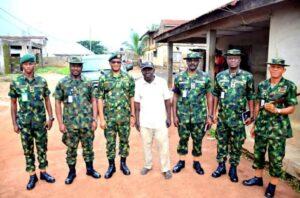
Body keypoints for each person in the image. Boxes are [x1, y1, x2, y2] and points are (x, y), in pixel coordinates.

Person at [242, 58, 298, 198]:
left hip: (278, 129)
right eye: (272, 67)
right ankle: (258, 178)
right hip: (262, 126)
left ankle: (272, 185)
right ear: (269, 69)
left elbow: (291, 108)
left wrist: (277, 110)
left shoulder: (289, 86)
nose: (275, 69)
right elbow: (257, 105)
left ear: (283, 70)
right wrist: (255, 123)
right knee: (258, 154)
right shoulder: (263, 85)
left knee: (275, 158)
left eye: (278, 67)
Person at [9, 53, 55, 190]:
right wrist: (14, 123)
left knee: (42, 148)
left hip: (40, 122)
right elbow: (13, 104)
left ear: (35, 65)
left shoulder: (42, 81)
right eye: (26, 64)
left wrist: (50, 117)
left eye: (31, 63)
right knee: (28, 150)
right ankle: (32, 175)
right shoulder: (16, 82)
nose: (29, 66)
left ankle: (43, 172)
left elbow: (47, 99)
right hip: (24, 124)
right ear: (22, 66)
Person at [54, 56, 100, 185]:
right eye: (73, 65)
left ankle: (90, 169)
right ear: (70, 66)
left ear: (81, 67)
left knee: (88, 148)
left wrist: (94, 119)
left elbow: (94, 101)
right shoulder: (63, 83)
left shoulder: (88, 82)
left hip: (86, 123)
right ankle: (71, 172)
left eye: (78, 66)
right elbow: (57, 102)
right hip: (70, 125)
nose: (76, 68)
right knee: (71, 150)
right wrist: (60, 123)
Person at [211, 49, 255, 182]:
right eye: (230, 58)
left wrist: (251, 114)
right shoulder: (220, 76)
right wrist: (213, 112)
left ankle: (233, 168)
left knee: (237, 144)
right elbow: (216, 95)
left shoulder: (247, 77)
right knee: (221, 142)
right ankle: (221, 166)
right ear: (227, 60)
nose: (233, 60)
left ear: (240, 60)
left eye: (235, 58)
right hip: (223, 117)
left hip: (238, 118)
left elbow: (251, 96)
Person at [172, 52, 213, 175]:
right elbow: (175, 96)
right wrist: (174, 115)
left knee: (197, 139)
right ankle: (181, 161)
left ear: (199, 61)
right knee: (183, 139)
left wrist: (210, 116)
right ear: (186, 61)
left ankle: (196, 162)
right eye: (190, 60)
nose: (192, 62)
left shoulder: (205, 77)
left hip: (199, 116)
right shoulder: (179, 77)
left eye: (195, 60)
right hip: (183, 116)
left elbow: (209, 97)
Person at [97, 53, 135, 179]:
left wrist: (132, 115)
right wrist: (101, 118)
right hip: (110, 118)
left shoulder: (128, 78)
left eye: (118, 62)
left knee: (124, 141)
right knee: (110, 143)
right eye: (113, 62)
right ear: (110, 63)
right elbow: (100, 99)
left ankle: (123, 164)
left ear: (121, 63)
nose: (116, 64)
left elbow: (131, 97)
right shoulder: (104, 79)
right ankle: (111, 166)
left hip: (124, 117)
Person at [134, 62, 172, 179]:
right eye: (145, 70)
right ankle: (147, 165)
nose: (147, 72)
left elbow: (167, 101)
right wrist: (137, 119)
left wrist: (169, 117)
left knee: (163, 146)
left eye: (149, 69)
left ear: (154, 70)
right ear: (142, 71)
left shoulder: (161, 82)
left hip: (160, 121)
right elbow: (136, 103)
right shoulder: (139, 83)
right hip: (145, 121)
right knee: (146, 145)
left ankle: (166, 169)